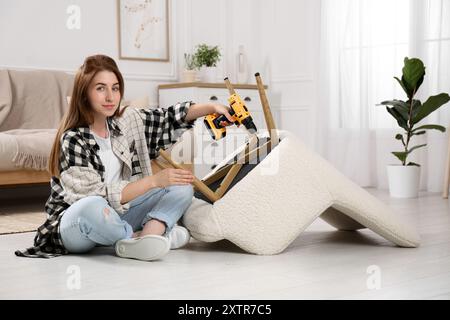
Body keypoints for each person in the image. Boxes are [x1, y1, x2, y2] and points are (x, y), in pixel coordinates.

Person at [15, 54, 234, 261]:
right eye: (100, 88)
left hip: (119, 216)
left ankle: (150, 235)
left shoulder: (127, 120)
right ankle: (137, 238)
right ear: (84, 93)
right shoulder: (73, 139)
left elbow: (168, 118)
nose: (110, 97)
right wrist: (153, 181)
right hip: (80, 224)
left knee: (182, 185)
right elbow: (94, 197)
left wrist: (211, 107)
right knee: (92, 206)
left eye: (115, 88)